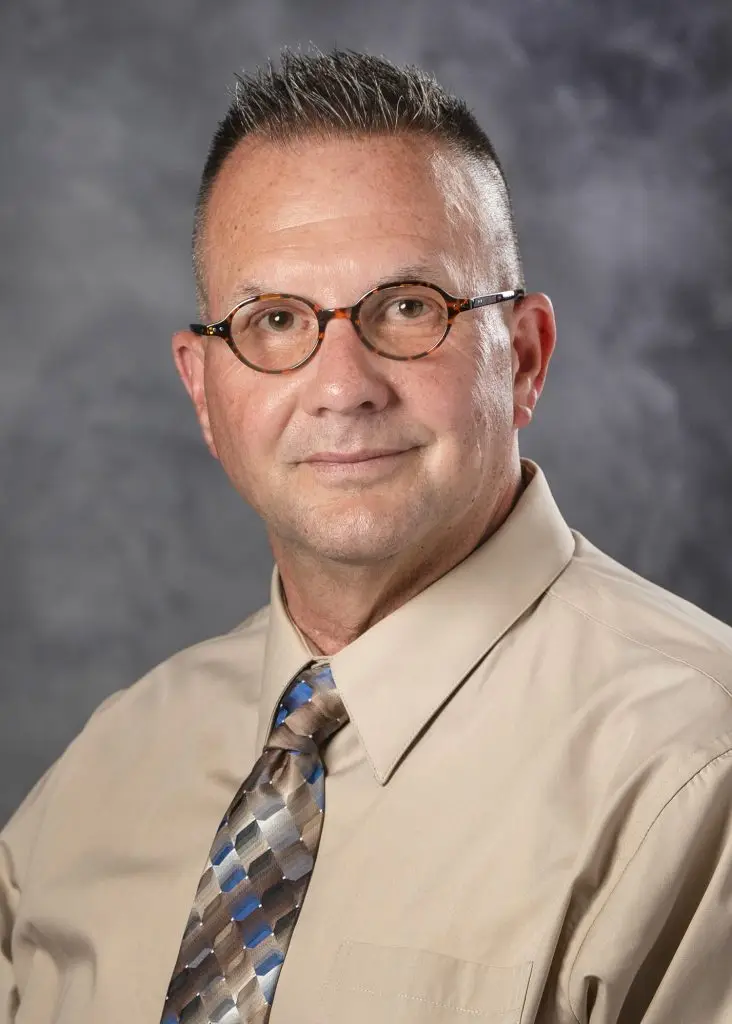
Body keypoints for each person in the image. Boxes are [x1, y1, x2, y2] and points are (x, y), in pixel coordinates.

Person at [2, 46, 732, 1024]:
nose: (343, 385)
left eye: (406, 308)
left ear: (524, 357)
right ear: (203, 390)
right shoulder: (101, 777)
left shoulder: (695, 773)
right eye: (274, 319)